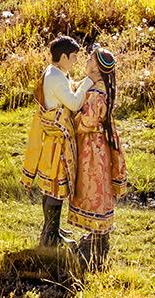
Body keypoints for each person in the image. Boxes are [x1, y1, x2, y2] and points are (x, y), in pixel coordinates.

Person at [20, 35, 92, 247]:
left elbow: (67, 90)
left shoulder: (54, 73)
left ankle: (51, 229)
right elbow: (74, 103)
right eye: (73, 57)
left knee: (50, 187)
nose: (75, 61)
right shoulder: (56, 77)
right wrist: (88, 81)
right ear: (63, 56)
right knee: (55, 188)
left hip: (51, 139)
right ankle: (50, 236)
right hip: (57, 141)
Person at [69, 45, 127, 266]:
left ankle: (97, 232)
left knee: (93, 183)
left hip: (92, 146)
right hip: (98, 145)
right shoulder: (101, 87)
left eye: (90, 60)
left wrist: (70, 119)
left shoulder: (96, 93)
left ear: (96, 68)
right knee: (99, 183)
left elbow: (88, 121)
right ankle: (99, 231)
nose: (86, 62)